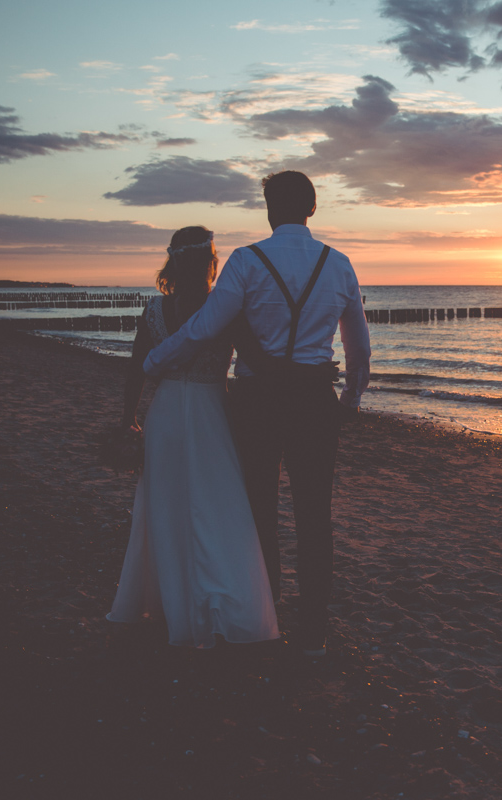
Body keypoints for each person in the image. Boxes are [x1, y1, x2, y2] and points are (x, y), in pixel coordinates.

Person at [143, 172, 371, 658]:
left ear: (269, 210)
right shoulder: (340, 264)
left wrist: (155, 361)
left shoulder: (247, 261)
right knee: (315, 514)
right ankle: (313, 631)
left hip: (258, 400)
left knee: (259, 511)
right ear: (312, 209)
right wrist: (350, 402)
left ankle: (265, 612)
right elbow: (360, 349)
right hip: (313, 401)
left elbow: (205, 327)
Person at [107, 225, 280, 648]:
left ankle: (171, 605)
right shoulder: (228, 309)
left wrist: (129, 418)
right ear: (210, 262)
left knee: (167, 507)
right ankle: (218, 603)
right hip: (211, 415)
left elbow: (137, 368)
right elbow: (257, 360)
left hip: (164, 413)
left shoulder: (155, 310)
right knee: (218, 506)